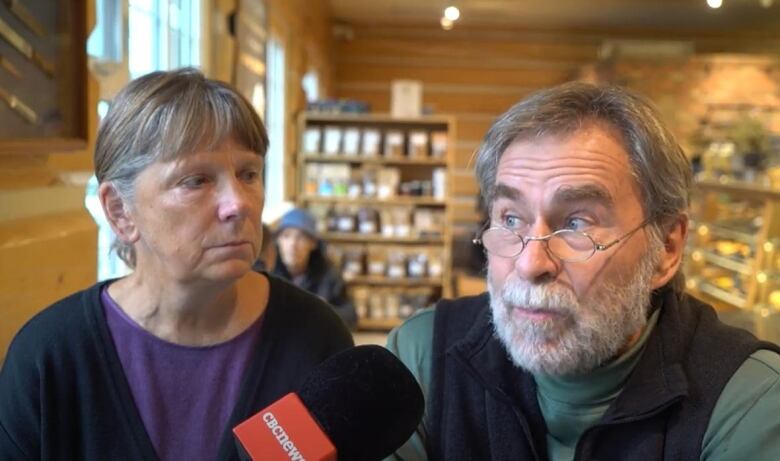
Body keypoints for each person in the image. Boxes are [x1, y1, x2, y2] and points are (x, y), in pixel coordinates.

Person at [386, 82, 780, 460]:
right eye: (510, 219)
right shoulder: (421, 358)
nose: (530, 264)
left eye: (576, 223)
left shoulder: (751, 401)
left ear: (666, 248)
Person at [0, 69, 353, 460]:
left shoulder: (315, 336)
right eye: (196, 180)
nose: (239, 203)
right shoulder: (51, 355)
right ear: (120, 212)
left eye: (248, 173)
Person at [272, 208, 357, 329]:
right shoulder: (269, 274)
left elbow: (351, 318)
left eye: (300, 237)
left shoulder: (329, 276)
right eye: (286, 236)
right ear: (278, 241)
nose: (292, 244)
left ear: (313, 244)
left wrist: (324, 309)